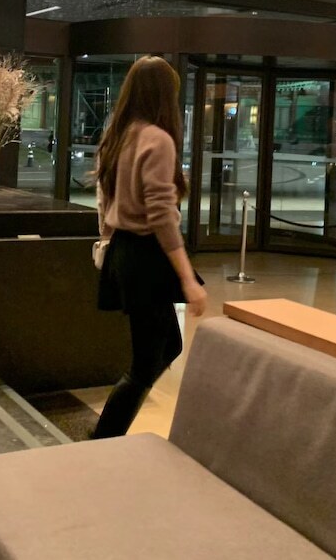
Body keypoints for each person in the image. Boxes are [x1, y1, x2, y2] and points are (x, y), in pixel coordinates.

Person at [93, 56, 207, 439]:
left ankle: (106, 436)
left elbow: (104, 202)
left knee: (169, 345)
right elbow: (161, 217)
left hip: (125, 252)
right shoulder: (157, 139)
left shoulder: (118, 136)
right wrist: (187, 278)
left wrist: (107, 239)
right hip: (145, 257)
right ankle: (103, 439)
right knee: (144, 365)